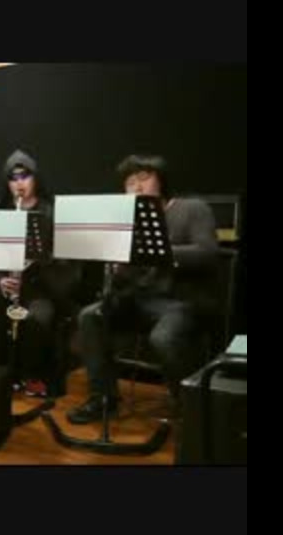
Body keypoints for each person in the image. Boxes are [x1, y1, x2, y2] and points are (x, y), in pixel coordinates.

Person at [67, 154, 219, 424]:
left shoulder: (191, 208)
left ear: (161, 181)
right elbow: (127, 280)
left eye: (143, 178)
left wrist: (157, 251)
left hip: (181, 301)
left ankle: (192, 407)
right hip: (140, 300)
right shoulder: (129, 222)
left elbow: (208, 252)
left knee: (164, 338)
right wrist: (117, 269)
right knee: (90, 316)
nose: (136, 187)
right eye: (129, 183)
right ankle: (103, 399)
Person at [0, 149, 80, 397]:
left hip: (39, 289)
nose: (19, 183)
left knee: (38, 318)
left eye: (25, 176)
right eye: (13, 178)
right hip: (1, 288)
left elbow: (67, 265)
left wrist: (41, 260)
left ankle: (32, 376)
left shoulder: (53, 213)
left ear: (36, 178)